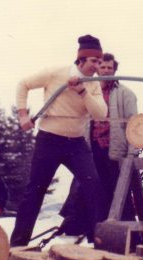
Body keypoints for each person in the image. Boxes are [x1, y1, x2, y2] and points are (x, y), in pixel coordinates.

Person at [10, 34, 108, 246]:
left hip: (76, 142)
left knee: (93, 185)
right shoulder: (56, 72)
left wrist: (82, 91)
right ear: (81, 60)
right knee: (35, 190)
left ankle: (99, 241)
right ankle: (17, 245)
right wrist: (22, 115)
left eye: (100, 62)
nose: (97, 66)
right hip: (49, 140)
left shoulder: (93, 84)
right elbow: (23, 84)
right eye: (94, 61)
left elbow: (100, 113)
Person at [60, 53, 138, 235]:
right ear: (97, 69)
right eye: (102, 67)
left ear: (115, 70)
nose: (106, 71)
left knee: (118, 195)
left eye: (109, 68)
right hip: (91, 149)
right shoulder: (88, 90)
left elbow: (135, 125)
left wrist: (132, 153)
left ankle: (126, 237)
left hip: (114, 151)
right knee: (89, 192)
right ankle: (93, 234)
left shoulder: (126, 94)